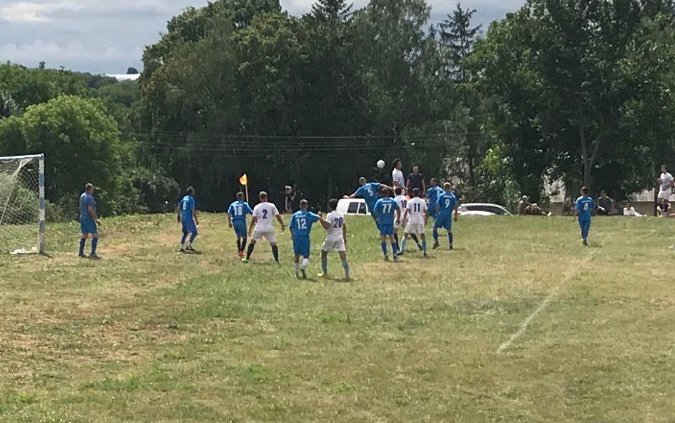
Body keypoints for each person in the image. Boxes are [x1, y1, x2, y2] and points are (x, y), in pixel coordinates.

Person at [289, 199, 328, 279]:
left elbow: (290, 227)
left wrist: (292, 235)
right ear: (306, 206)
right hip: (304, 237)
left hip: (296, 237)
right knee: (306, 255)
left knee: (296, 255)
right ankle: (303, 267)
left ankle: (296, 273)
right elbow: (318, 218)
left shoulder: (295, 215)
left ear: (300, 206)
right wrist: (321, 217)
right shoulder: (309, 214)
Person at [243, 191, 285, 264]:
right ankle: (276, 260)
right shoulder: (272, 206)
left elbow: (253, 219)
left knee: (252, 242)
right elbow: (278, 216)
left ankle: (247, 258)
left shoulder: (257, 207)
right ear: (267, 197)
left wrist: (250, 229)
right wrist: (282, 225)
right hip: (269, 228)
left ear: (260, 198)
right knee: (273, 244)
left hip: (259, 228)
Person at [318, 199, 351, 280]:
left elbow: (327, 226)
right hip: (339, 237)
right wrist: (344, 237)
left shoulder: (330, 215)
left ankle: (325, 273)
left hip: (331, 237)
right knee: (343, 256)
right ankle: (347, 275)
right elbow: (344, 226)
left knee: (323, 253)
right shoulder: (341, 214)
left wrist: (320, 219)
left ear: (329, 206)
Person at [373, 187, 401, 261]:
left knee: (383, 238)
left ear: (382, 194)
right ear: (388, 193)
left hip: (382, 222)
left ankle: (385, 254)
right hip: (390, 221)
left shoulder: (379, 201)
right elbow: (398, 209)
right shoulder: (392, 201)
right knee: (392, 237)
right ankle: (394, 254)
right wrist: (398, 218)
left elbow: (375, 211)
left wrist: (379, 216)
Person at [401, 188, 427, 256]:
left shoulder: (410, 201)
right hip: (420, 219)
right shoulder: (422, 201)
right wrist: (425, 220)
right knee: (422, 236)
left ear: (412, 194)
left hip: (412, 219)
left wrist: (403, 221)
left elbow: (407, 211)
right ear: (419, 193)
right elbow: (425, 211)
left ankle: (401, 250)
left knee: (405, 234)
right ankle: (424, 251)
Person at [227, 192, 253, 258]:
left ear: (237, 197)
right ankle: (241, 251)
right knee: (244, 237)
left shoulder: (233, 204)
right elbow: (251, 212)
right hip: (241, 221)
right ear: (243, 197)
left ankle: (239, 251)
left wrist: (229, 222)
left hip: (235, 222)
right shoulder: (244, 204)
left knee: (238, 236)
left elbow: (229, 213)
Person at [433, 182, 459, 250]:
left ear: (444, 188)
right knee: (449, 230)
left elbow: (437, 205)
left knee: (434, 227)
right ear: (450, 188)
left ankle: (436, 242)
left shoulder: (441, 195)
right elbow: (456, 206)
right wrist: (455, 216)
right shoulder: (453, 196)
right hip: (448, 215)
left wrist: (437, 213)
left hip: (441, 213)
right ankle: (450, 244)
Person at [78, 183, 101, 259]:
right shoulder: (89, 197)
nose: (93, 190)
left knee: (84, 234)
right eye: (92, 189)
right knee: (95, 235)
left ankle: (81, 252)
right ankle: (93, 253)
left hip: (82, 217)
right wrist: (96, 219)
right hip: (88, 218)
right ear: (90, 189)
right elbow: (90, 209)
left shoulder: (82, 196)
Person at [178, 186, 199, 253]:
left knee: (185, 232)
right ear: (192, 192)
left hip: (183, 217)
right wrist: (196, 219)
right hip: (188, 217)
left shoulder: (184, 198)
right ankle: (189, 245)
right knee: (194, 232)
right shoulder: (191, 199)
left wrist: (179, 215)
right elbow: (192, 210)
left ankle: (181, 247)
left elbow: (179, 206)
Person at [393, 187, 408, 255]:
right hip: (406, 214)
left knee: (394, 231)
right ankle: (418, 244)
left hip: (399, 215)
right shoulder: (405, 197)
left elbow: (396, 208)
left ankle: (397, 247)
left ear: (395, 192)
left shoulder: (395, 199)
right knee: (408, 230)